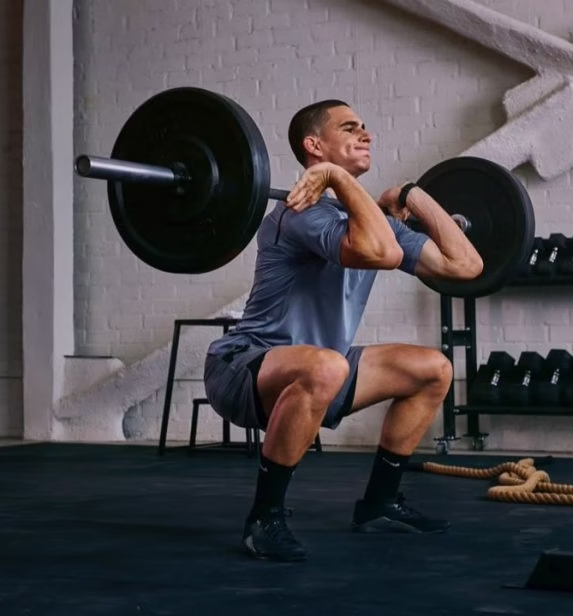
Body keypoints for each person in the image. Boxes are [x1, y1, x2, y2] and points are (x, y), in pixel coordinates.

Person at [203, 98, 484, 562]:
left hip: (322, 365)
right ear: (315, 145)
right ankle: (264, 518)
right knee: (327, 365)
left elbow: (466, 264)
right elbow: (381, 253)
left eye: (366, 126)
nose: (366, 134)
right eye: (351, 128)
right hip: (243, 365)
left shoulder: (362, 219)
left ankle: (380, 503)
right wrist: (336, 179)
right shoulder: (300, 213)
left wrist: (413, 194)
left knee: (434, 369)